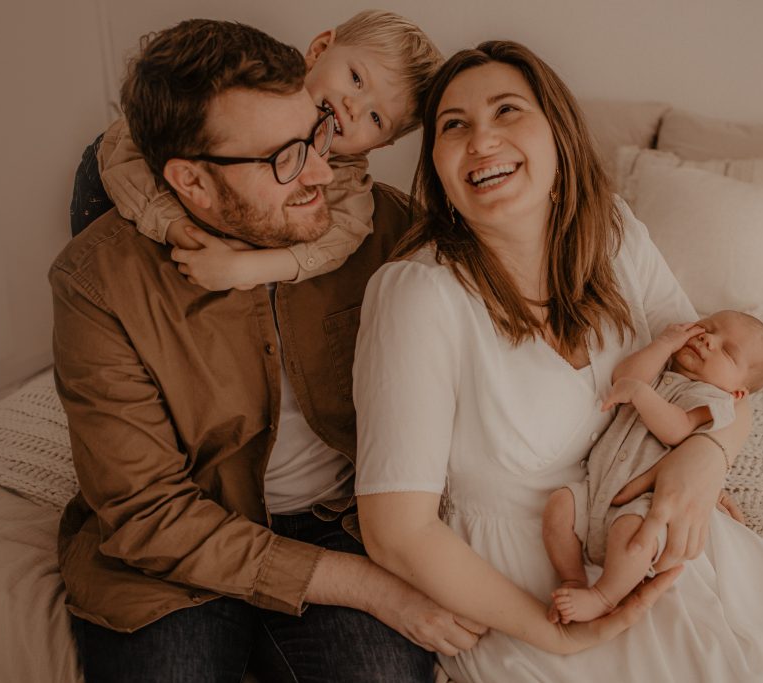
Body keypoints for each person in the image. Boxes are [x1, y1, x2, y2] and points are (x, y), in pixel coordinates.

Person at [352, 40, 763, 681]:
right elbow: (398, 531)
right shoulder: (419, 295)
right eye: (455, 126)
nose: (482, 141)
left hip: (644, 528)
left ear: (558, 133)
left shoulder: (610, 233)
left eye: (507, 111)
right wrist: (558, 637)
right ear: (439, 168)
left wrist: (708, 456)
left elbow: (716, 377)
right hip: (530, 587)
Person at [53, 19, 477, 682]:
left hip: (339, 524)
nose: (319, 170)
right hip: (177, 556)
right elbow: (148, 513)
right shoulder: (96, 281)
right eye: (283, 157)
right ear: (191, 182)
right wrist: (367, 587)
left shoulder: (386, 232)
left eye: (317, 133)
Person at [73, 9, 438, 292]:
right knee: (113, 266)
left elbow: (343, 235)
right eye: (356, 79)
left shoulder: (344, 174)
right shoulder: (255, 84)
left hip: (224, 218)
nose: (353, 107)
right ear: (320, 49)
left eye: (376, 118)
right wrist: (178, 229)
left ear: (382, 144)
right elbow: (124, 151)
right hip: (108, 175)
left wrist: (247, 268)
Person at [545, 311, 763, 624]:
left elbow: (678, 428)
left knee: (635, 537)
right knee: (559, 506)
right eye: (707, 328)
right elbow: (625, 377)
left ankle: (604, 596)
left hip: (639, 503)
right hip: (595, 488)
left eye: (726, 351)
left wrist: (641, 395)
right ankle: (572, 577)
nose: (708, 339)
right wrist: (665, 344)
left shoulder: (713, 400)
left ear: (737, 392)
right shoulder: (661, 368)